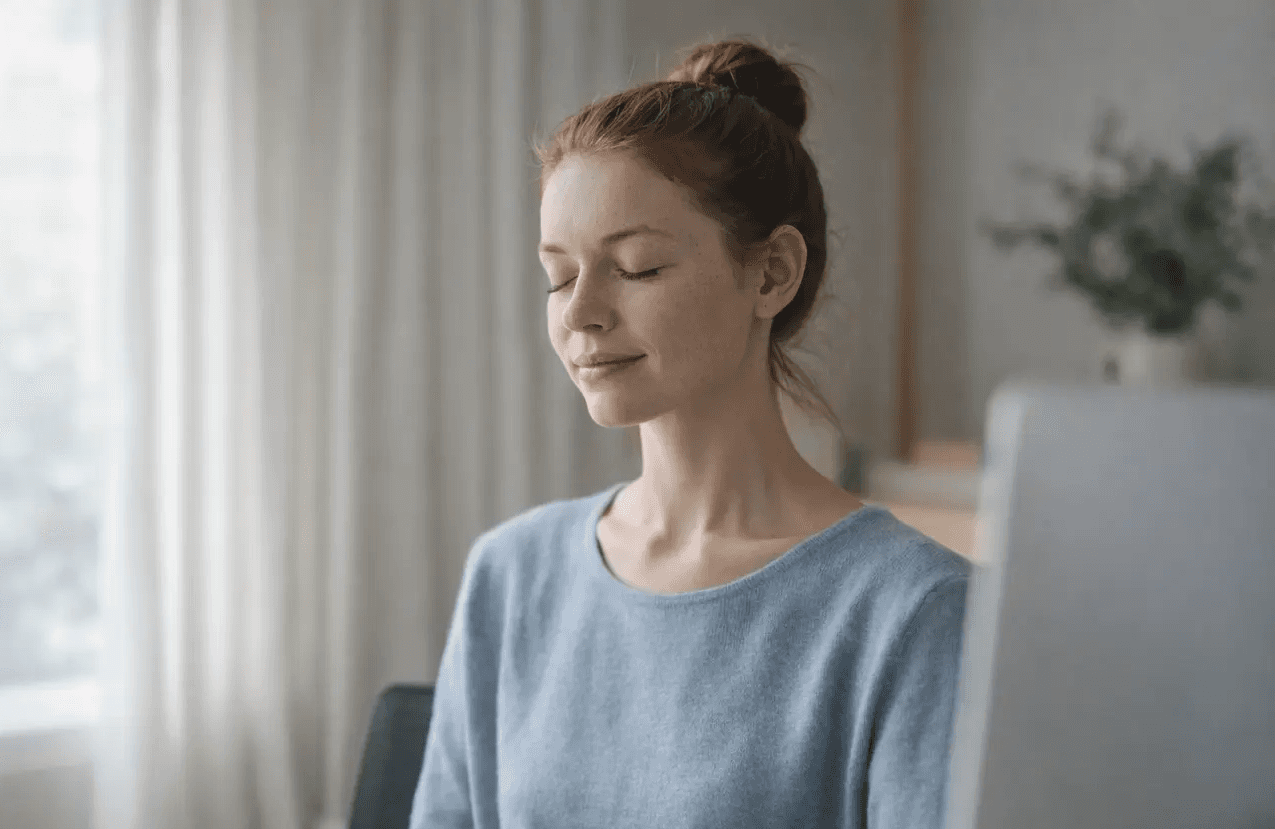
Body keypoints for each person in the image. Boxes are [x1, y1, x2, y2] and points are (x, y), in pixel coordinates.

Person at [409, 36, 971, 829]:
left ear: (772, 272)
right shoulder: (510, 575)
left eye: (636, 266)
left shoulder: (915, 611)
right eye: (559, 275)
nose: (579, 313)